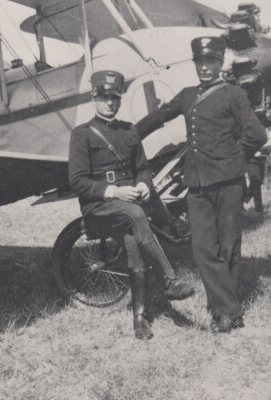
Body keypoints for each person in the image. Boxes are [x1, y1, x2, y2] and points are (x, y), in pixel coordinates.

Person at [136, 37, 267, 333]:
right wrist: (127, 136)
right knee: (202, 248)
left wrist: (233, 158)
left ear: (220, 64)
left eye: (211, 62)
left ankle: (222, 313)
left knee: (228, 245)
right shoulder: (187, 95)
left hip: (229, 181)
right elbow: (157, 118)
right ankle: (231, 310)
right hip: (196, 183)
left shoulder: (233, 94)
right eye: (200, 63)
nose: (205, 68)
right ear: (195, 64)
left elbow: (257, 135)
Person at [68, 70, 195, 340]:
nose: (110, 102)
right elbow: (77, 181)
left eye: (114, 97)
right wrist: (113, 191)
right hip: (99, 207)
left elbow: (143, 169)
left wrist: (143, 186)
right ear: (94, 98)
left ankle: (139, 319)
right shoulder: (82, 134)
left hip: (129, 207)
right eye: (104, 97)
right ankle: (170, 280)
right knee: (136, 214)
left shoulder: (129, 131)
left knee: (133, 242)